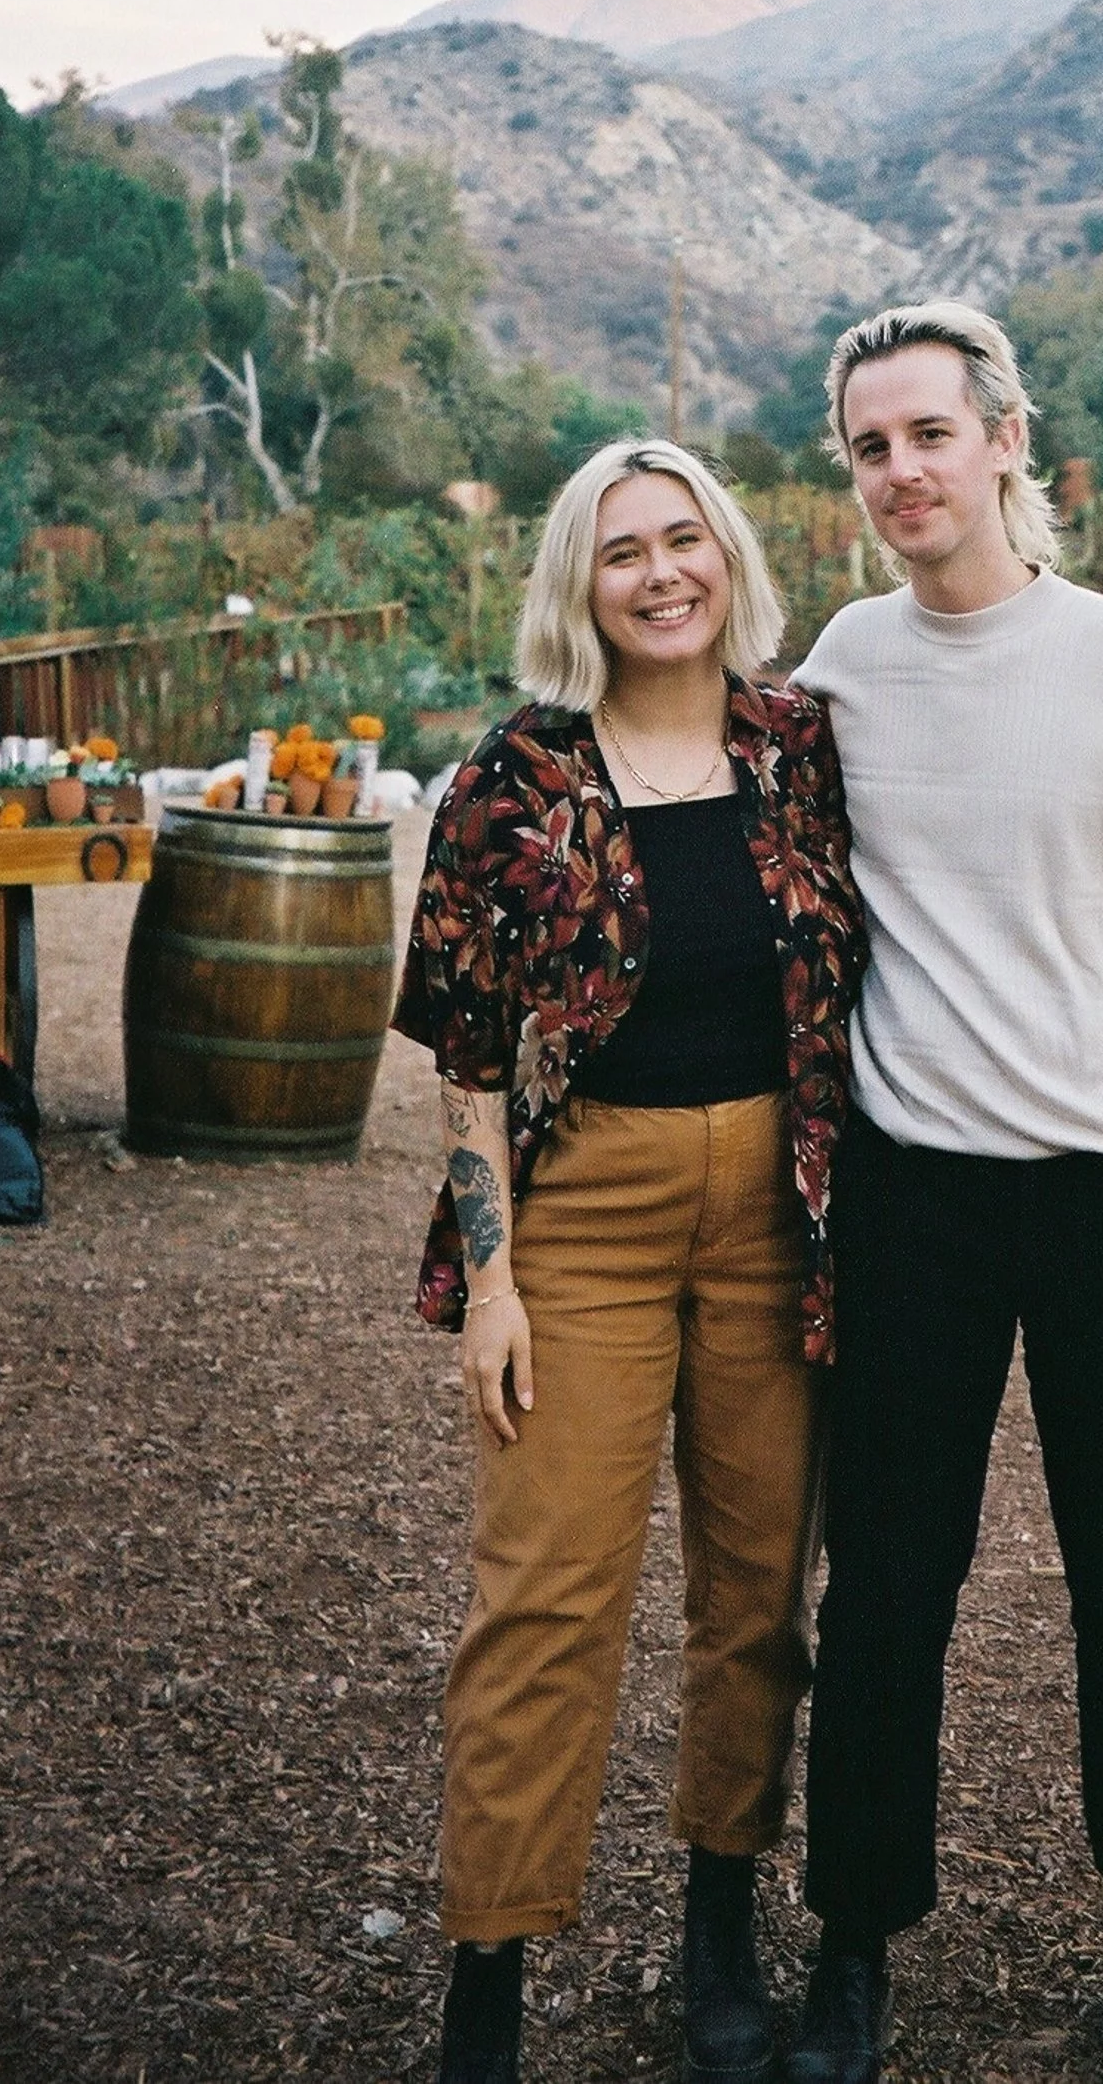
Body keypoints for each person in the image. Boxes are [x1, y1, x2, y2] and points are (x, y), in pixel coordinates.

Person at [785, 301, 1103, 2084]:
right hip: (914, 1187)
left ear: (1007, 439)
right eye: (868, 447)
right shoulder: (840, 667)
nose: (900, 472)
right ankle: (851, 1944)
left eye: (929, 433)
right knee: (888, 1583)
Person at [391, 441, 863, 2084]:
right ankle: (489, 1973)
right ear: (575, 589)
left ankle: (719, 1917)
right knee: (543, 1598)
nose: (660, 574)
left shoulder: (800, 747)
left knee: (758, 1593)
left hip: (777, 1216)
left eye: (684, 540)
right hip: (580, 1215)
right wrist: (492, 1282)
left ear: (725, 554)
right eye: (621, 554)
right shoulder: (512, 779)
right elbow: (461, 1053)